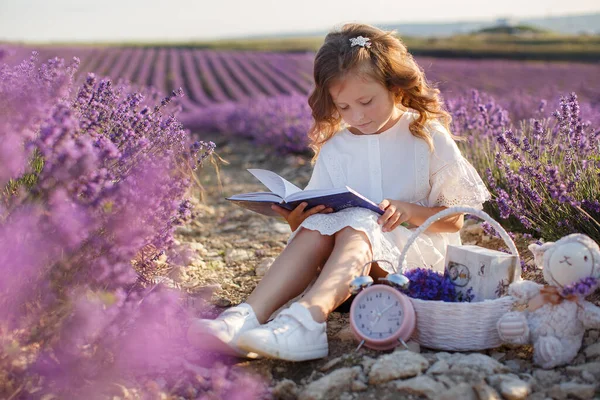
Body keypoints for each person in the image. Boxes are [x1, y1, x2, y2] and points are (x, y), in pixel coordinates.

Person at [187, 23, 490, 362]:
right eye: (343, 107)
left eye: (366, 101)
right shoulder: (337, 146)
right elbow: (323, 220)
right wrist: (300, 219)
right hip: (348, 275)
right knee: (329, 222)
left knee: (359, 217)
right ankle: (246, 317)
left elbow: (456, 221)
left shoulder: (425, 134)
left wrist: (409, 210)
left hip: (413, 265)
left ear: (394, 85)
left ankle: (307, 320)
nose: (357, 116)